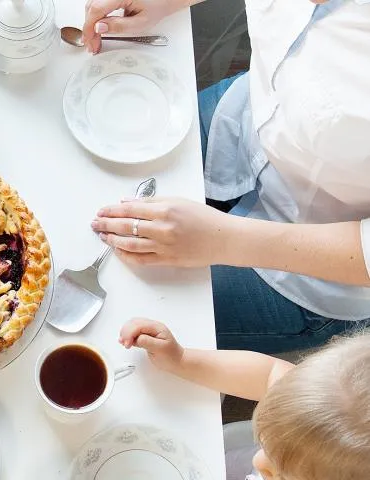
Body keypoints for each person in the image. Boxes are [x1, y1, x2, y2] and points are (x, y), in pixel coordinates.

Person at [85, 0, 370, 353]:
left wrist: (222, 240)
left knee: (119, 315)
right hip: (243, 119)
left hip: (316, 265)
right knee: (86, 182)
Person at [119, 318, 370, 480]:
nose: (258, 460)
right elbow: (266, 373)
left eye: (281, 476)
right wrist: (181, 360)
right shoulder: (319, 403)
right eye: (265, 445)